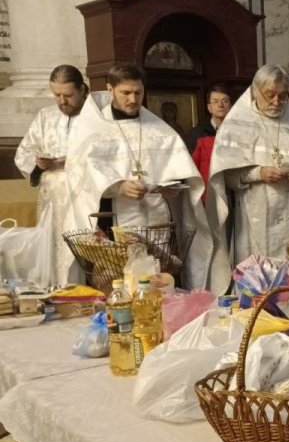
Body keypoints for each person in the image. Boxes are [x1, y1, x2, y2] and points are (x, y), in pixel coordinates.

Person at [62, 62, 212, 289]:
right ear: (110, 89)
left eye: (138, 92)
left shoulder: (159, 129)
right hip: (114, 217)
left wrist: (175, 187)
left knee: (158, 283)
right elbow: (81, 171)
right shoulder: (94, 129)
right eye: (126, 93)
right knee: (118, 286)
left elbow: (180, 168)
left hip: (158, 221)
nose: (133, 99)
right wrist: (118, 186)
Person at [206, 64, 289, 310]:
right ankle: (259, 328)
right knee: (262, 284)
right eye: (270, 94)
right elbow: (224, 177)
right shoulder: (237, 124)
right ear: (255, 90)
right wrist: (258, 173)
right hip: (257, 218)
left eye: (283, 96)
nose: (277, 101)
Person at [14, 64, 88, 285]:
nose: (62, 101)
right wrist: (38, 165)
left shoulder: (96, 116)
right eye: (56, 95)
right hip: (52, 199)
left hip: (83, 195)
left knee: (82, 250)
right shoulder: (45, 116)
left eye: (68, 95)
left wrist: (71, 161)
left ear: (82, 90)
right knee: (52, 250)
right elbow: (24, 152)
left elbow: (106, 155)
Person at [185, 86, 232, 199]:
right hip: (207, 193)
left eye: (224, 101)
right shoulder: (196, 134)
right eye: (215, 101)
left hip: (233, 190)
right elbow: (190, 169)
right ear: (209, 107)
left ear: (230, 106)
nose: (220, 105)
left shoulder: (239, 133)